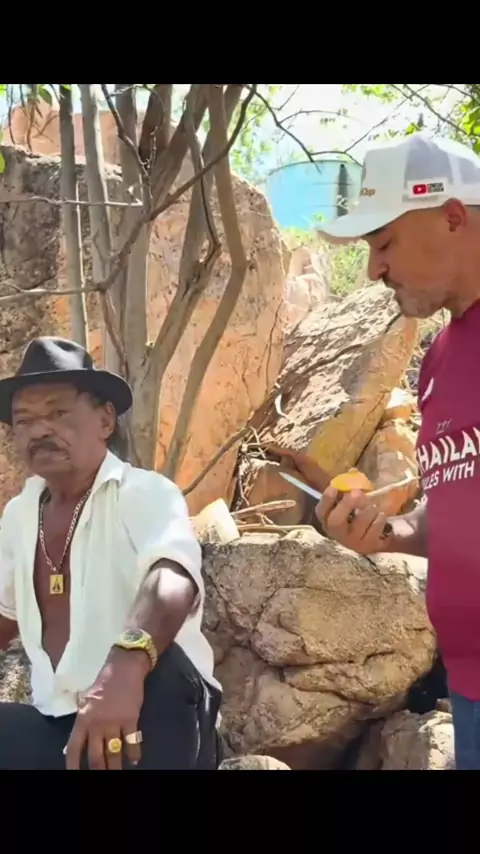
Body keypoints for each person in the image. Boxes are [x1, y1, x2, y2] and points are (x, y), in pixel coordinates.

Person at [316, 132, 480, 771]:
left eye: (384, 244)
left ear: (453, 216)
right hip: (468, 685)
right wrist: (385, 533)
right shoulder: (439, 358)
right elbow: (454, 512)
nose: (373, 270)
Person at [0, 335, 221, 769]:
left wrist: (124, 669)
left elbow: (172, 577)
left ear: (104, 420)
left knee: (166, 669)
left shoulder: (144, 492)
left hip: (153, 713)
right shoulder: (19, 516)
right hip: (65, 726)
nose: (40, 431)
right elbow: (4, 616)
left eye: (58, 413)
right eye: (24, 420)